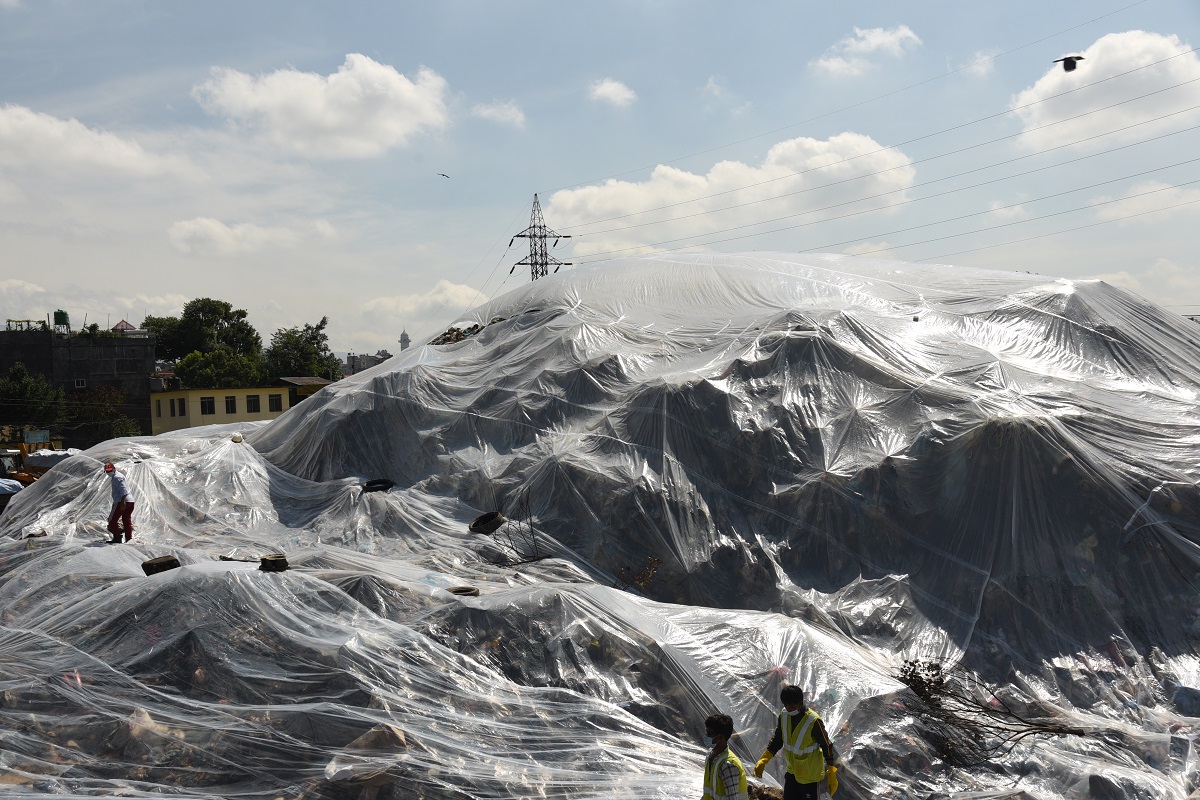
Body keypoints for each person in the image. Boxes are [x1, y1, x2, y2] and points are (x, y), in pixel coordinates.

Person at [753, 685, 839, 799]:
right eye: (786, 704)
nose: (789, 708)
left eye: (793, 704)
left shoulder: (813, 721)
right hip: (792, 772)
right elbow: (778, 739)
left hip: (810, 777)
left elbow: (826, 745)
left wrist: (831, 771)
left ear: (800, 702)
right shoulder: (784, 715)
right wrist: (764, 759)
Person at [702, 713, 748, 800]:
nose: (706, 736)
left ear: (720, 737)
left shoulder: (728, 765)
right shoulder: (711, 756)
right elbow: (708, 792)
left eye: (709, 733)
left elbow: (732, 798)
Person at [104, 461, 135, 543]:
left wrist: (123, 501)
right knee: (126, 519)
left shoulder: (116, 477)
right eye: (107, 471)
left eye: (110, 470)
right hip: (131, 501)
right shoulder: (120, 476)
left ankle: (117, 537)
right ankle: (128, 538)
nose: (109, 472)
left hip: (121, 501)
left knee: (111, 520)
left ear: (114, 469)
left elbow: (123, 489)